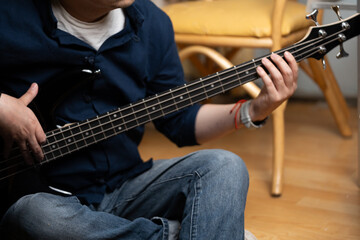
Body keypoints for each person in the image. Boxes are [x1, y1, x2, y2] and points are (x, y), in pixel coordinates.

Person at [0, 0, 298, 239]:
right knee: (36, 218)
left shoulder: (152, 23)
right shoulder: (10, 15)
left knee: (225, 167)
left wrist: (253, 110)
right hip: (43, 199)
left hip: (125, 185)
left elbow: (181, 121)